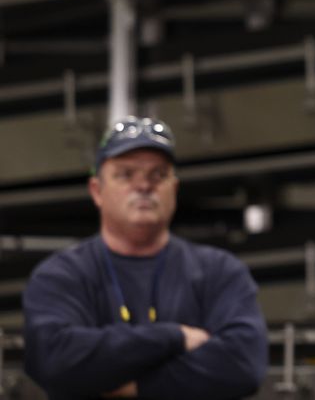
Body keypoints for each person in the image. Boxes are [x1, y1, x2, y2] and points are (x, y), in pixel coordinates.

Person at [23, 116, 268, 400]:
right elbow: (54, 360)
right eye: (126, 174)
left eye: (158, 175)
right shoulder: (61, 275)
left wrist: (133, 388)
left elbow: (242, 365)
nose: (143, 186)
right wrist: (174, 337)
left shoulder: (220, 271)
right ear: (97, 191)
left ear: (174, 189)